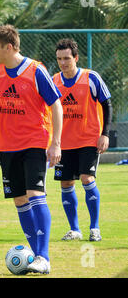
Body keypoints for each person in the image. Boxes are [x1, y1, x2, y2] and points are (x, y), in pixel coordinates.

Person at [0, 25, 63, 274]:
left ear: (8, 47)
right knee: (20, 199)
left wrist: (55, 143)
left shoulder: (36, 71)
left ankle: (43, 257)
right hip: (7, 146)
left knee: (35, 195)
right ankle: (36, 257)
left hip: (35, 143)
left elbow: (56, 105)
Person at [53, 38, 112, 242]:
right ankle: (74, 229)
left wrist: (105, 134)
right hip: (63, 143)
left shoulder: (91, 78)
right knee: (66, 183)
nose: (63, 62)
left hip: (88, 140)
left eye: (67, 58)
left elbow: (107, 104)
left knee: (87, 179)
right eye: (59, 59)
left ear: (76, 58)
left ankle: (94, 228)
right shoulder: (54, 81)